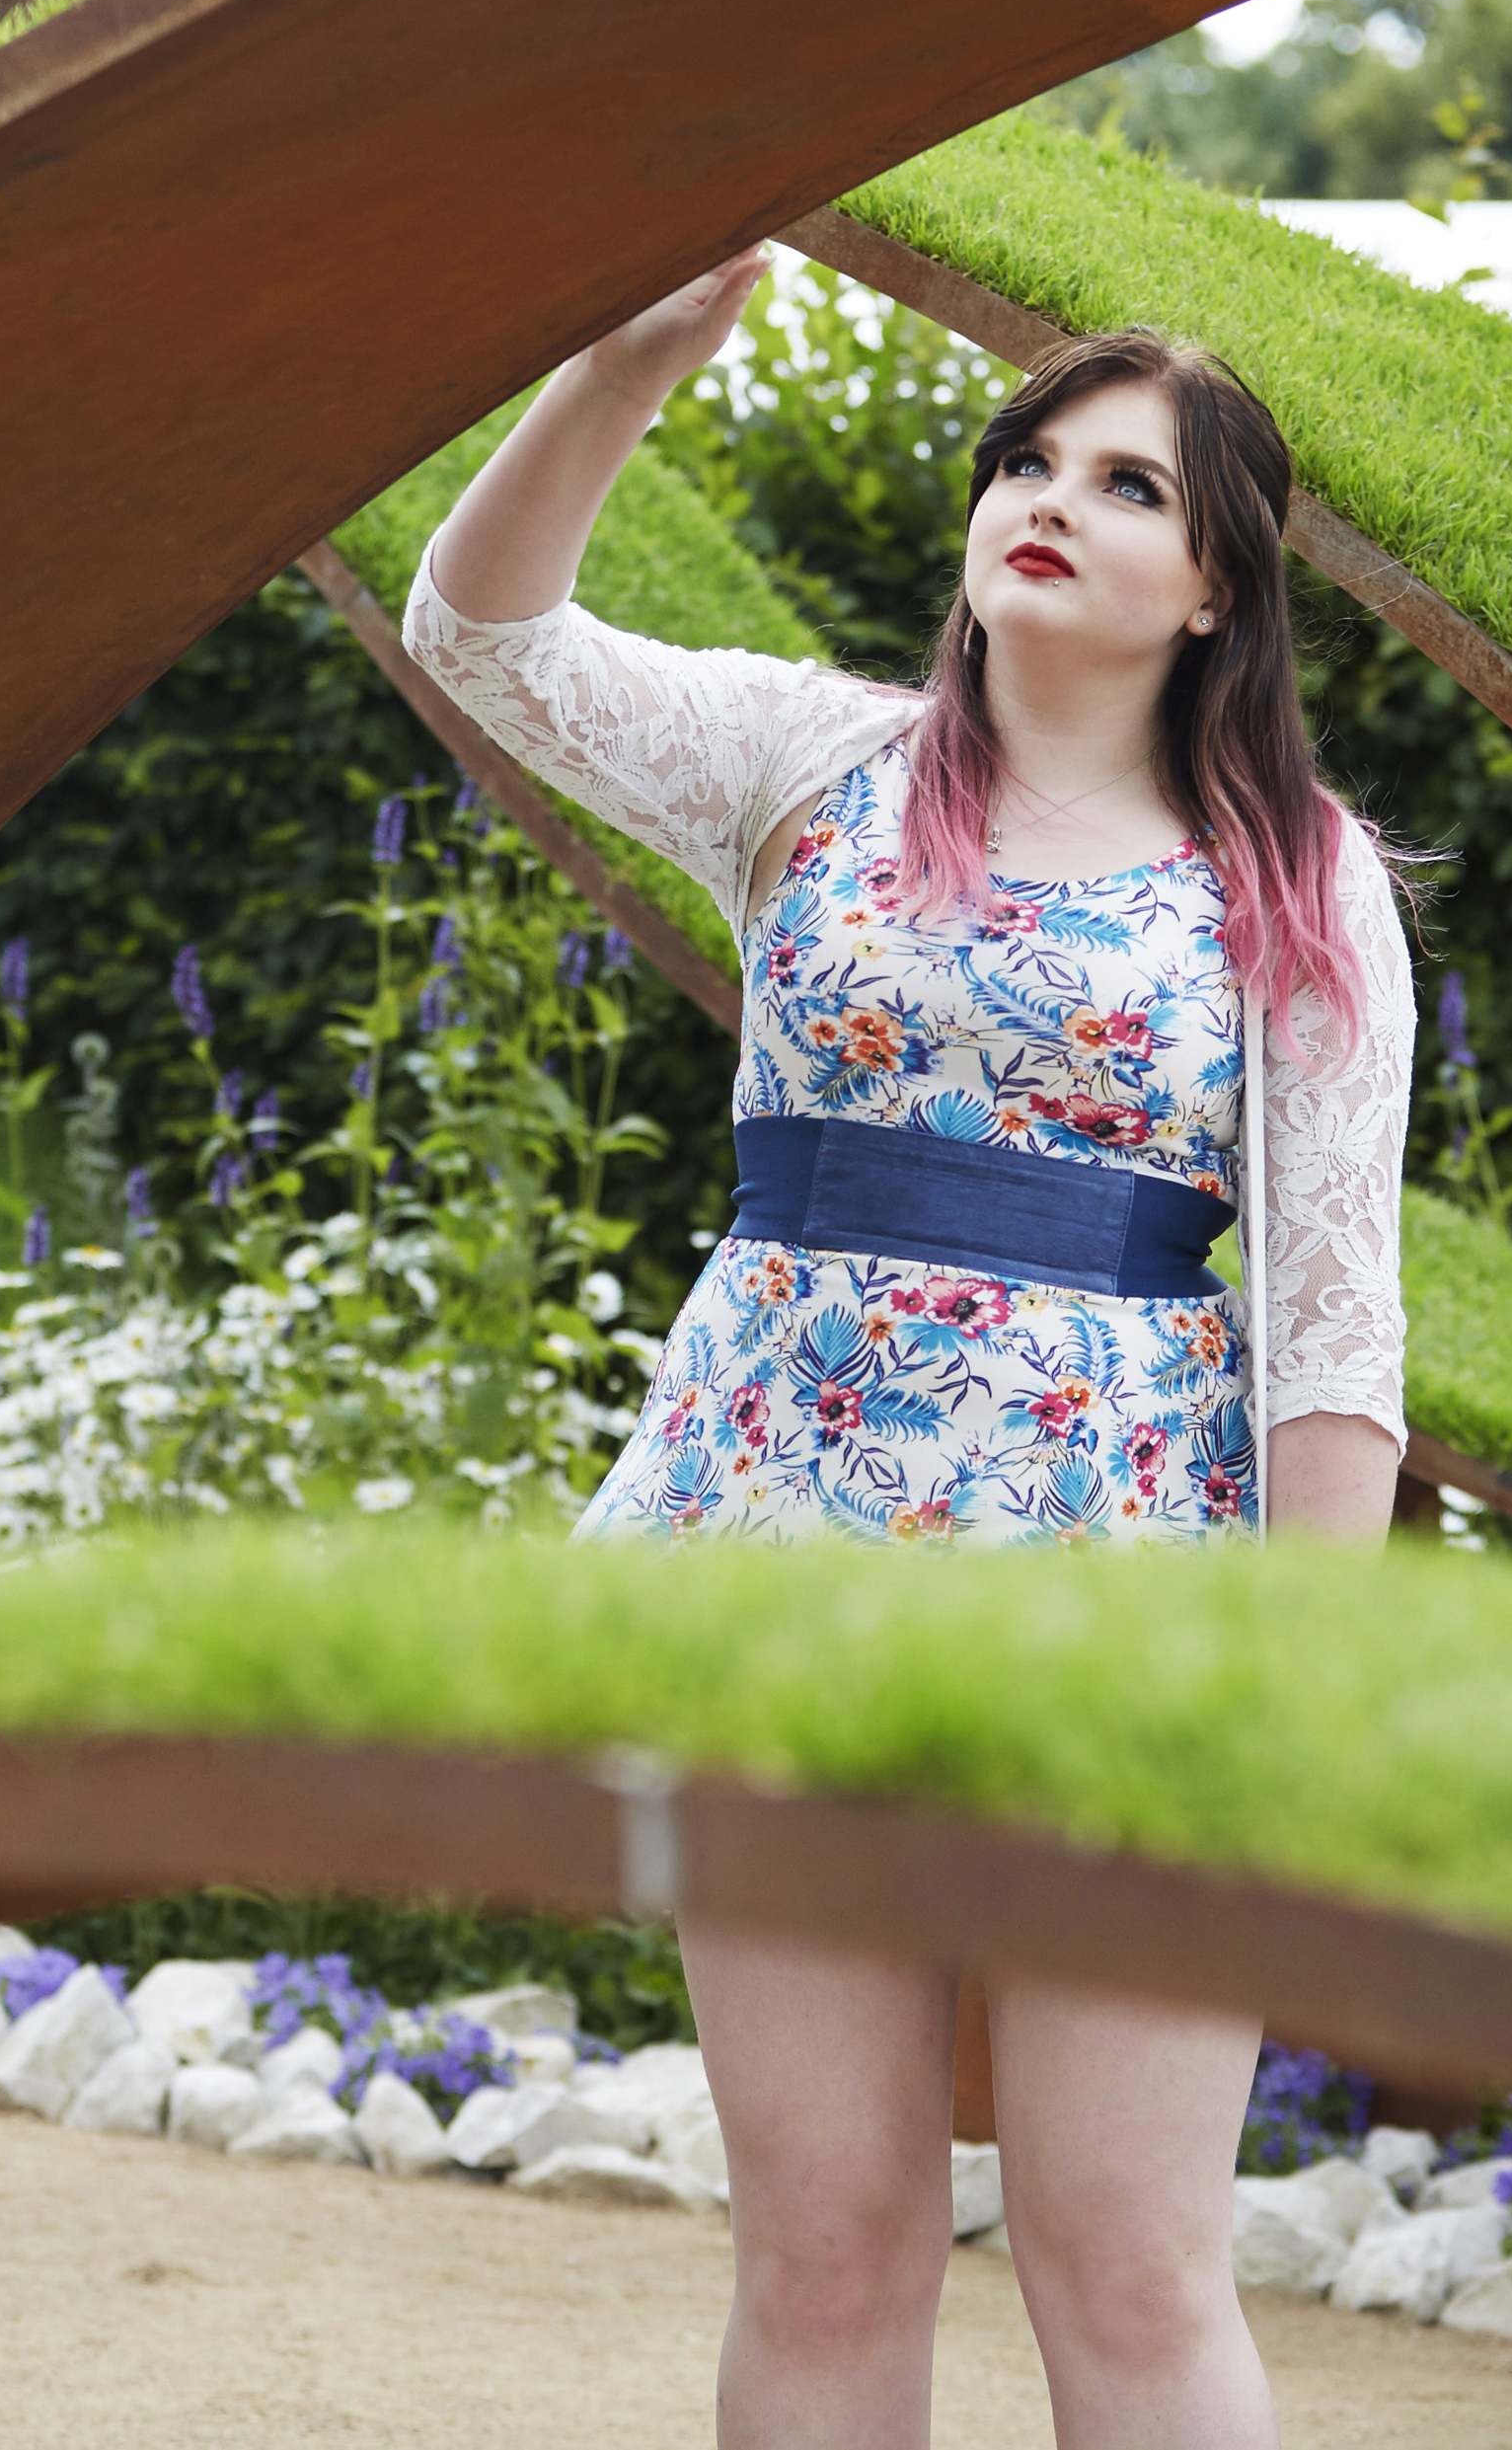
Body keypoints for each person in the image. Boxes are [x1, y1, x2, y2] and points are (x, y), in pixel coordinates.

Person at [412, 249, 1414, 2450]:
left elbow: (1336, 1317)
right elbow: (476, 639)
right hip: (784, 1554)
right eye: (1027, 460)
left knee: (1130, 2263)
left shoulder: (1298, 876)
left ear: (1217, 589)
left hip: (1127, 1596)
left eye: (1128, 484)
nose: (1051, 498)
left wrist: (1305, 1691)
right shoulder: (812, 761)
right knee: (833, 2239)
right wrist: (613, 365)